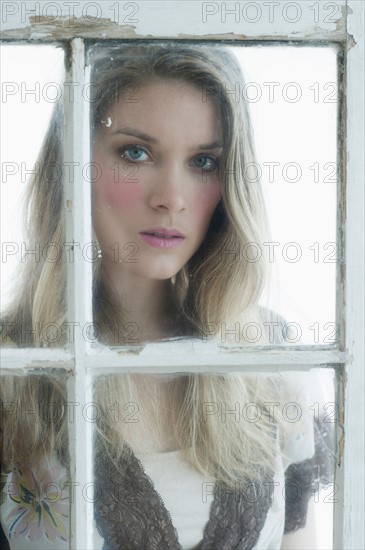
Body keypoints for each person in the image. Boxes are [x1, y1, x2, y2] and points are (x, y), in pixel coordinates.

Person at [0, 44, 331, 549]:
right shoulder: (14, 368)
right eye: (135, 152)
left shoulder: (271, 357)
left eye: (203, 161)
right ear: (73, 166)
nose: (171, 197)